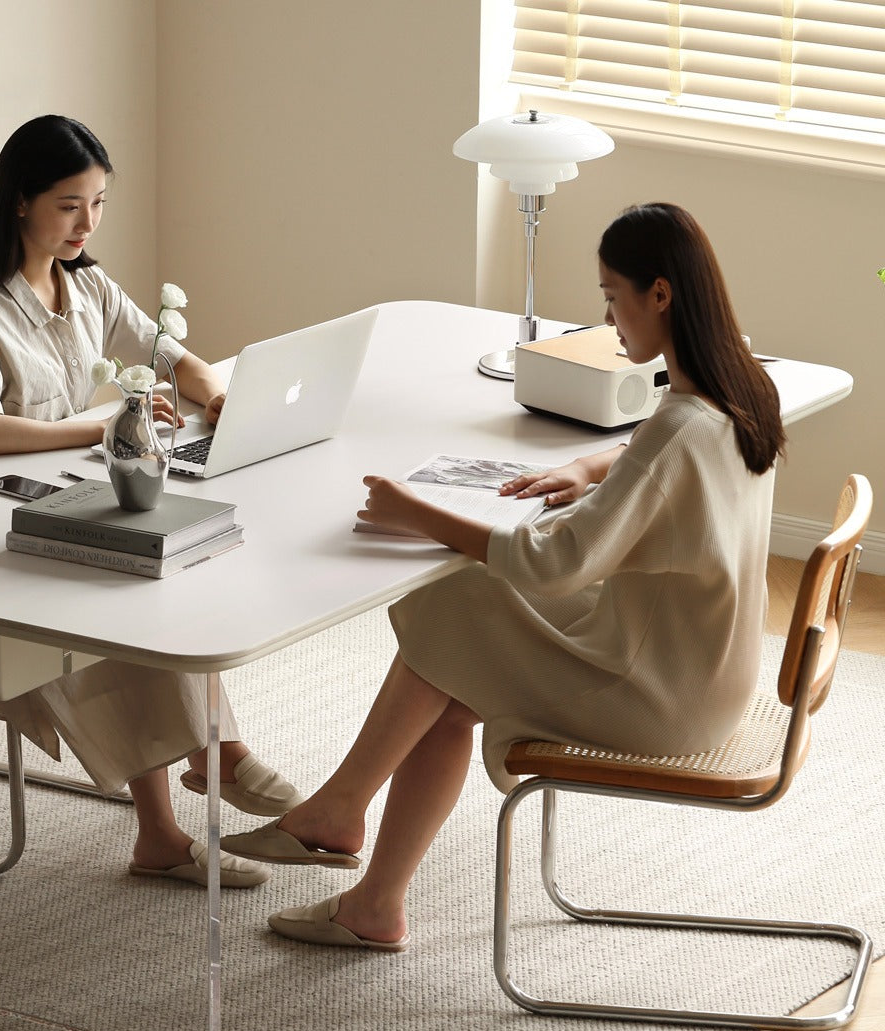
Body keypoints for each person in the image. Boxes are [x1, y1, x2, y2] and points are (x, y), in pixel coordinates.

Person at [222, 202, 785, 948]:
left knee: (454, 595)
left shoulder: (680, 427)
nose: (610, 318)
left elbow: (555, 564)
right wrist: (590, 467)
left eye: (613, 296)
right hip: (704, 670)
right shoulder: (742, 389)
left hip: (655, 694)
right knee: (455, 671)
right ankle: (370, 892)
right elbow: (657, 458)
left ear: (660, 294)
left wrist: (413, 511)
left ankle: (339, 815)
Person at [0, 114, 300, 888]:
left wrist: (216, 395)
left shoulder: (86, 285)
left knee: (166, 575)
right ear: (20, 202)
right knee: (125, 605)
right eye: (69, 205)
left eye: (98, 202)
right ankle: (202, 776)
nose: (87, 223)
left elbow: (175, 357)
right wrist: (94, 426)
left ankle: (190, 791)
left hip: (71, 505)